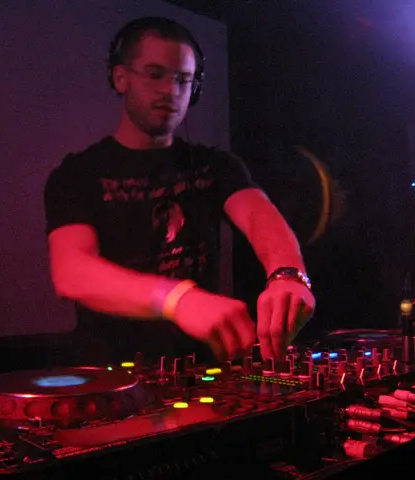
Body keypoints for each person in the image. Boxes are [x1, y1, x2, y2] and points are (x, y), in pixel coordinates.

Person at [43, 17, 315, 364]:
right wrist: (178, 299)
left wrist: (288, 275)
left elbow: (259, 216)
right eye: (155, 74)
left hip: (204, 371)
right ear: (120, 77)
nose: (170, 91)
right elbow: (72, 271)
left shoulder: (215, 166)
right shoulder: (77, 174)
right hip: (111, 376)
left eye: (183, 80)